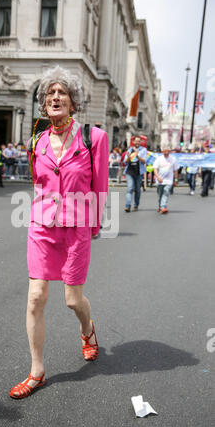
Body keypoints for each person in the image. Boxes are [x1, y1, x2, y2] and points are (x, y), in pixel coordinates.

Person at [9, 65, 109, 400]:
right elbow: (37, 183)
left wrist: (92, 228)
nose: (55, 97)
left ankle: (87, 329)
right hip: (41, 226)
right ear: (43, 102)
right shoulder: (35, 139)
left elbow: (99, 188)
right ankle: (37, 372)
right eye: (50, 93)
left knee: (72, 300)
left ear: (73, 101)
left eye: (62, 92)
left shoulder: (94, 138)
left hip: (76, 229)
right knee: (36, 296)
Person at [123, 136, 147, 212]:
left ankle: (136, 205)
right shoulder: (130, 150)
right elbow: (125, 162)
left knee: (137, 190)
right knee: (130, 188)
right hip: (129, 172)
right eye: (136, 141)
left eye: (139, 141)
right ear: (133, 142)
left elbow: (144, 161)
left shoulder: (143, 150)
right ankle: (128, 206)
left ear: (140, 142)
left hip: (138, 172)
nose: (137, 142)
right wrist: (128, 157)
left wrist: (137, 155)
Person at [153, 146, 178, 214]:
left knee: (166, 193)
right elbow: (155, 169)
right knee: (160, 194)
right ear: (162, 152)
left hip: (169, 180)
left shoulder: (173, 159)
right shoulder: (159, 159)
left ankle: (163, 206)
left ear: (170, 152)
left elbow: (175, 170)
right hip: (160, 180)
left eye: (168, 151)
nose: (166, 152)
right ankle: (160, 206)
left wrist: (175, 180)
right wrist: (158, 177)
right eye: (165, 151)